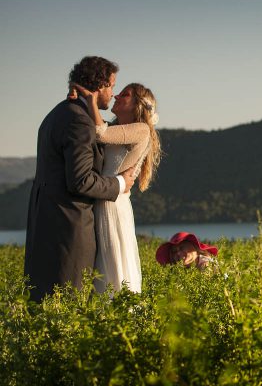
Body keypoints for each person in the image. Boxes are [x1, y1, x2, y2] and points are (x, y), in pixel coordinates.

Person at [24, 57, 136, 301]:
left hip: (45, 225)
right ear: (99, 85)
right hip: (69, 229)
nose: (113, 93)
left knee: (44, 306)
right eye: (112, 86)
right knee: (69, 307)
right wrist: (119, 183)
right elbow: (80, 180)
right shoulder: (79, 121)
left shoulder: (57, 114)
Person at [74, 82, 162, 293]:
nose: (117, 96)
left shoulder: (141, 129)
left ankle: (117, 320)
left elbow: (100, 134)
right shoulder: (117, 128)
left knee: (112, 268)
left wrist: (91, 101)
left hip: (112, 205)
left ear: (137, 105)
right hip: (103, 198)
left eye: (125, 94)